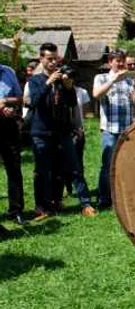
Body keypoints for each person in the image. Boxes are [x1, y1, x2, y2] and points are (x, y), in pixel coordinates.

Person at [29, 43, 94, 218]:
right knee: (42, 171)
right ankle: (42, 207)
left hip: (63, 131)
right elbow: (34, 102)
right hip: (41, 132)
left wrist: (67, 85)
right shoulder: (35, 80)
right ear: (41, 59)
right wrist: (47, 83)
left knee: (74, 167)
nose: (53, 63)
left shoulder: (61, 78)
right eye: (49, 59)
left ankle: (86, 203)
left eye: (55, 59)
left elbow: (72, 102)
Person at [93, 49, 135, 209]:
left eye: (122, 60)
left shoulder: (130, 79)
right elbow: (96, 95)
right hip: (110, 129)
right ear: (110, 62)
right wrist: (113, 80)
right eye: (117, 61)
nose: (120, 63)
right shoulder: (101, 77)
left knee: (126, 164)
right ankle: (104, 199)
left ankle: (123, 199)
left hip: (127, 130)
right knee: (108, 165)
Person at [0, 63, 26, 225]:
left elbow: (21, 98)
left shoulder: (8, 71)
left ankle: (16, 211)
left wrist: (7, 102)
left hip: (8, 125)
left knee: (14, 168)